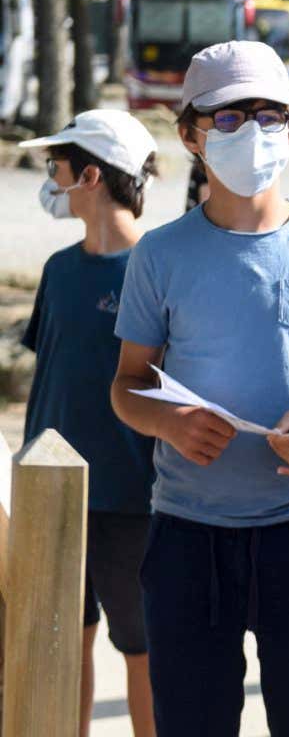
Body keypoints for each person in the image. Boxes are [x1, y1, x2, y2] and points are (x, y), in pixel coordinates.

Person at [110, 40, 289, 737]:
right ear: (190, 135)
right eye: (228, 118)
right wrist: (169, 423)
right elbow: (125, 386)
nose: (252, 132)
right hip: (187, 535)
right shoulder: (160, 254)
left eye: (269, 115)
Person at [19, 110, 159, 737]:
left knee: (142, 649)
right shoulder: (58, 270)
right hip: (50, 497)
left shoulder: (156, 270)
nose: (50, 180)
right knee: (58, 650)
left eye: (57, 168)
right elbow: (50, 372)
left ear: (91, 175)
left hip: (132, 501)